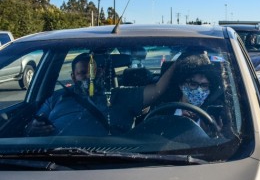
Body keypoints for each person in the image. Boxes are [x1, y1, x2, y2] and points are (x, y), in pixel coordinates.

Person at [25, 52, 177, 137]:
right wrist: (32, 129)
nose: (89, 77)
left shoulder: (122, 96)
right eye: (83, 73)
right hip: (51, 160)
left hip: (110, 159)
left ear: (102, 73)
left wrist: (180, 61)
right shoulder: (56, 98)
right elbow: (34, 125)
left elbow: (157, 90)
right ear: (73, 77)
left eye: (94, 72)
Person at [157, 51, 224, 135]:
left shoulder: (215, 116)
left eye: (204, 85)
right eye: (193, 84)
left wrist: (213, 135)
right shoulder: (162, 112)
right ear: (181, 84)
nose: (199, 90)